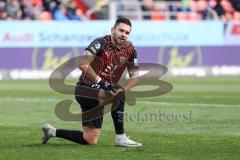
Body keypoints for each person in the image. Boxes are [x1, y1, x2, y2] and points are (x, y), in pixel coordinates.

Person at [41, 17, 142, 147]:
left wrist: (124, 89)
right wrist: (102, 83)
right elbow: (83, 64)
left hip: (102, 92)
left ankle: (52, 132)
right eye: (121, 30)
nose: (123, 34)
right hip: (85, 89)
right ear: (113, 30)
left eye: (127, 32)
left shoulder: (130, 50)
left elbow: (135, 78)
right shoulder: (100, 43)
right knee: (117, 94)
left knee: (90, 140)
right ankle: (120, 137)